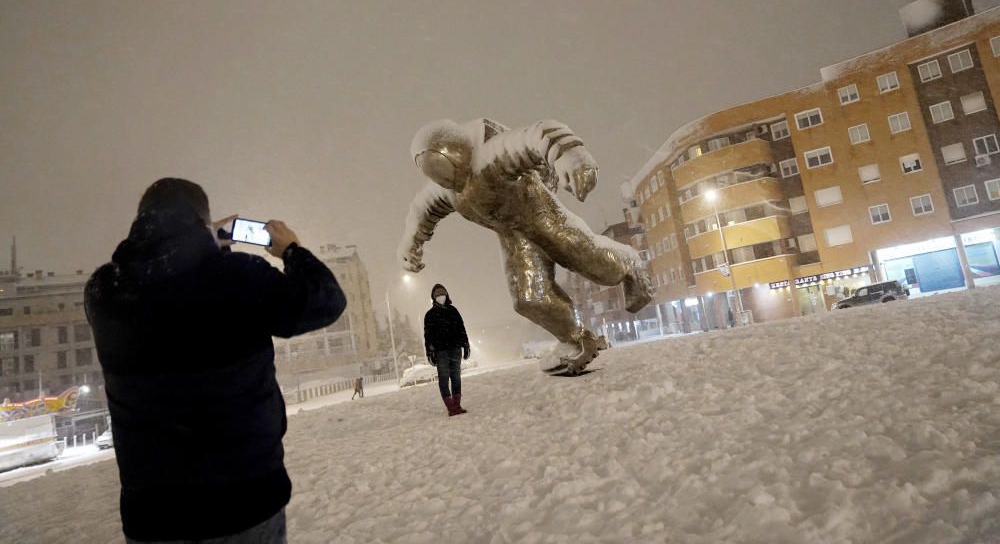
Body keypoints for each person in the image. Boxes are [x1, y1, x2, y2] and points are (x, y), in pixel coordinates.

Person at [85, 178, 346, 543]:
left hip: (153, 515)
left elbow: (167, 283)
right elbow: (325, 301)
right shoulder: (237, 277)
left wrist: (199, 247)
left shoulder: (103, 292)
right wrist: (292, 251)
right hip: (244, 501)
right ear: (201, 220)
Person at [399, 118, 652, 376]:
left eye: (442, 169)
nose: (442, 180)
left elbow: (537, 135)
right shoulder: (449, 191)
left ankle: (631, 264)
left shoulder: (491, 156)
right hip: (516, 240)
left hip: (546, 219)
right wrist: (412, 243)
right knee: (528, 299)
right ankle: (575, 339)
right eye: (433, 174)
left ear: (456, 153)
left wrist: (570, 154)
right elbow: (423, 209)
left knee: (594, 262)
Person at [423, 283, 470, 416]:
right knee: (444, 378)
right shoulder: (430, 315)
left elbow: (461, 328)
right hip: (441, 352)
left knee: (456, 377)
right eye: (438, 295)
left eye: (442, 294)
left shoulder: (453, 311)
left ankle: (457, 405)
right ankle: (451, 407)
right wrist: (430, 352)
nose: (441, 297)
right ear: (433, 297)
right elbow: (428, 335)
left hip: (455, 349)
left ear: (447, 295)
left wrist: (466, 345)